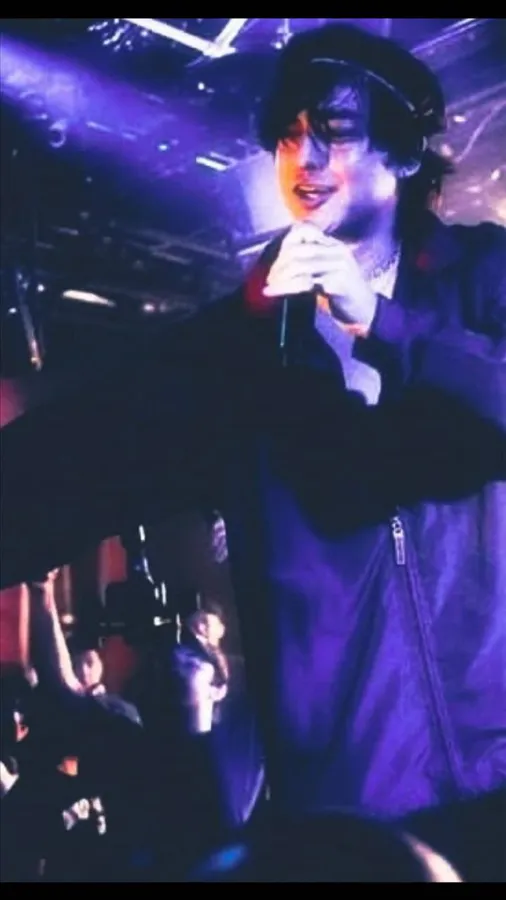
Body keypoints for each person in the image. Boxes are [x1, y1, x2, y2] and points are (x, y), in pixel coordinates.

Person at [1, 22, 505, 881]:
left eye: (335, 130)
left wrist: (380, 322)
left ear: (404, 152)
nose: (304, 158)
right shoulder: (237, 349)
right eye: (288, 134)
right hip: (355, 812)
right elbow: (74, 464)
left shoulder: (484, 278)